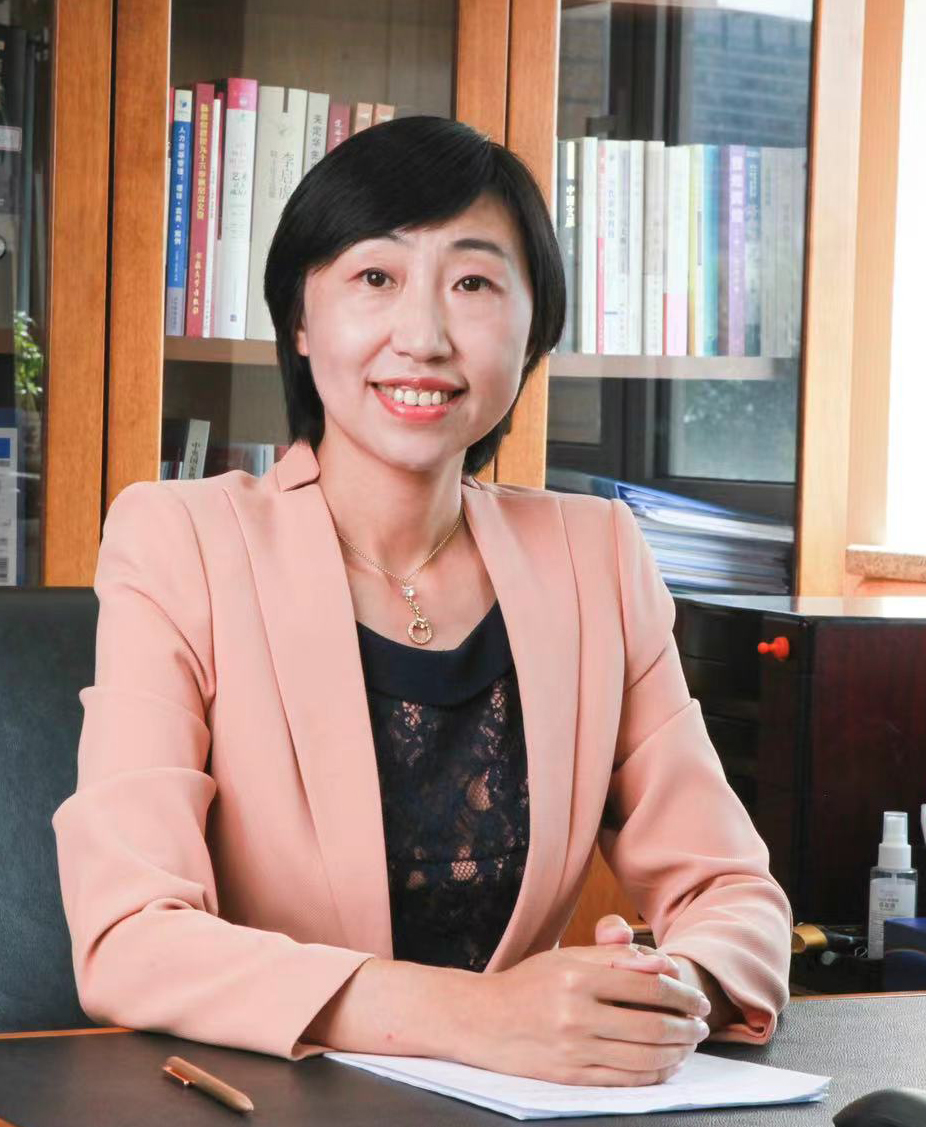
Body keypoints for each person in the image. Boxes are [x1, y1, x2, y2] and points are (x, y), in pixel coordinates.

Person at [52, 115, 792, 1088]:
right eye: (375, 277)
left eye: (473, 283)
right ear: (301, 321)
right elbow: (130, 935)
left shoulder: (596, 557)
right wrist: (479, 1016)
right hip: (261, 1101)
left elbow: (731, 889)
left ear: (534, 331)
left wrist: (664, 990)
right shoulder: (179, 540)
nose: (424, 336)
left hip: (520, 1105)